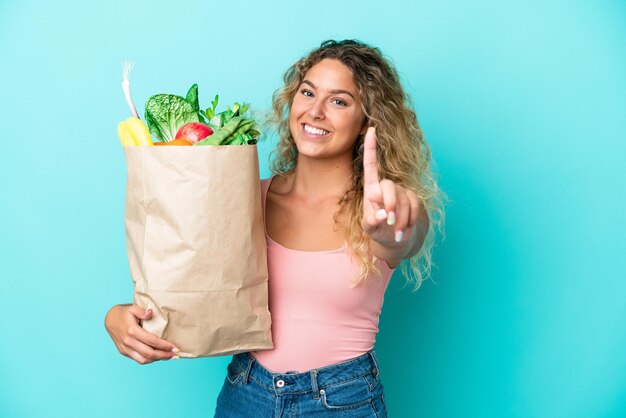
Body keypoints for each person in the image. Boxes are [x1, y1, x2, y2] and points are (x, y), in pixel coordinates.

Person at [105, 39, 445, 417]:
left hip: (341, 400)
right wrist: (119, 317)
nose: (315, 111)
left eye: (339, 101)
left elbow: (404, 238)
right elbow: (186, 286)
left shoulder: (380, 211)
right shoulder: (241, 200)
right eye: (307, 92)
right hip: (246, 393)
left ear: (367, 121)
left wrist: (395, 231)